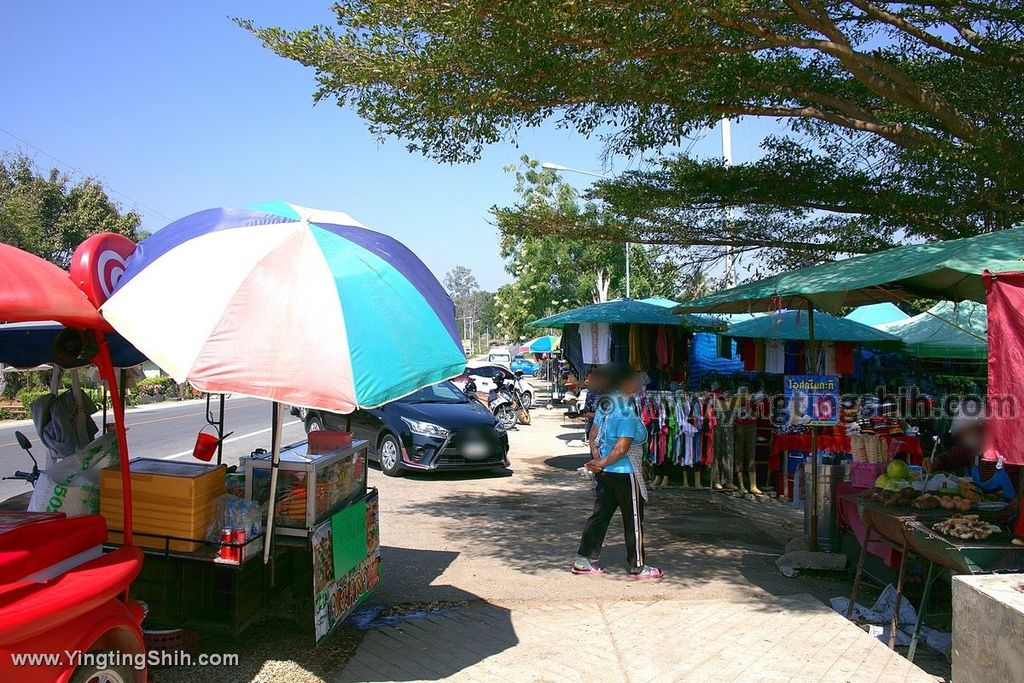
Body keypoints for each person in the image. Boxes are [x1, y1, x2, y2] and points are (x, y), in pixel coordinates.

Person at [572, 366, 663, 580]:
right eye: (635, 382)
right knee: (633, 519)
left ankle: (583, 560)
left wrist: (598, 461)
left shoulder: (606, 404)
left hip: (605, 473)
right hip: (624, 472)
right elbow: (622, 448)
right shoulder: (626, 411)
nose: (639, 386)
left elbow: (593, 434)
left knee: (600, 515)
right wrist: (601, 461)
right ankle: (639, 567)